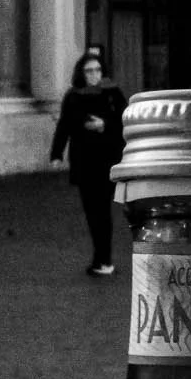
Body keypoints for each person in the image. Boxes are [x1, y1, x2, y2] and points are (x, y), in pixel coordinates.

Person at [50, 52, 127, 276]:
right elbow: (64, 126)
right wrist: (56, 154)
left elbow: (125, 120)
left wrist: (105, 124)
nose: (94, 75)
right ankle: (101, 257)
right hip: (84, 160)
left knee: (102, 210)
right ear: (81, 73)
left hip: (106, 159)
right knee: (92, 212)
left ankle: (104, 259)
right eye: (89, 71)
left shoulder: (112, 92)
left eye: (97, 70)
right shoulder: (73, 96)